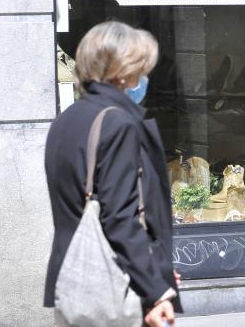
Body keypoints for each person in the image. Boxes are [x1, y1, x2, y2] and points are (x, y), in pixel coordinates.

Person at [43, 21, 182, 326]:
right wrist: (156, 288)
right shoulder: (117, 123)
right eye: (140, 68)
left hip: (75, 281)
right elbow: (121, 217)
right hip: (117, 287)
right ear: (122, 70)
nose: (143, 77)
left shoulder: (66, 120)